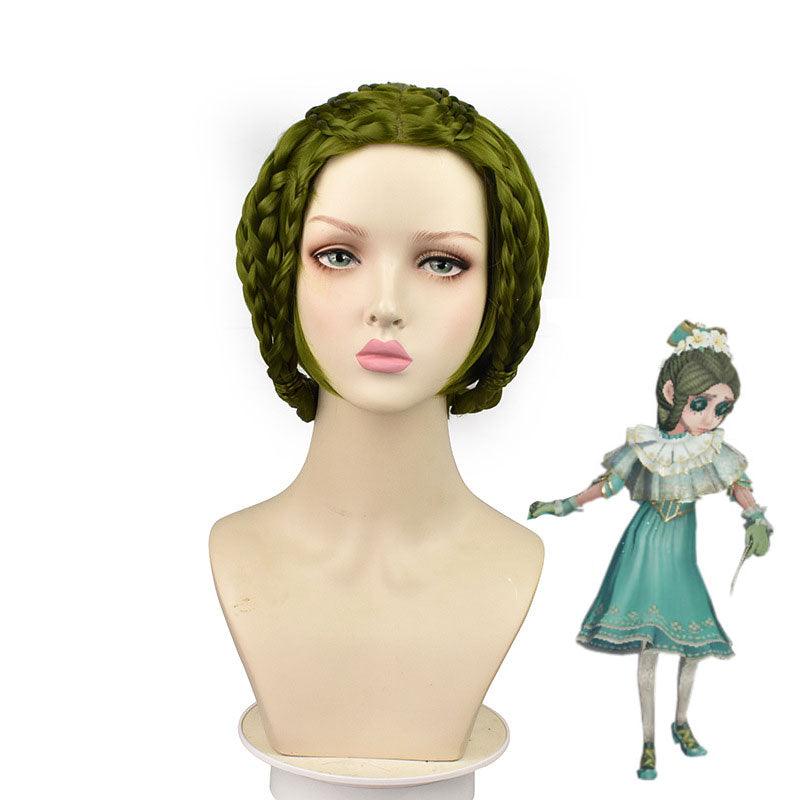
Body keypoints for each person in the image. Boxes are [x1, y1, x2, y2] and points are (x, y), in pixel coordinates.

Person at [211, 82, 551, 759]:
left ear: (501, 289)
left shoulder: (513, 564)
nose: (387, 305)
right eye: (338, 256)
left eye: (442, 263)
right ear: (282, 277)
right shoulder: (235, 552)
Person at [528, 321, 773, 780]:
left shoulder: (710, 449)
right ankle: (648, 741)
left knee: (694, 645)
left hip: (680, 552)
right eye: (701, 404)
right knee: (648, 646)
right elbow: (609, 484)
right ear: (672, 393)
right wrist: (563, 505)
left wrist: (756, 518)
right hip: (644, 545)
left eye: (722, 408)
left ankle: (681, 722)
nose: (710, 417)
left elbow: (737, 483)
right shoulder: (647, 445)